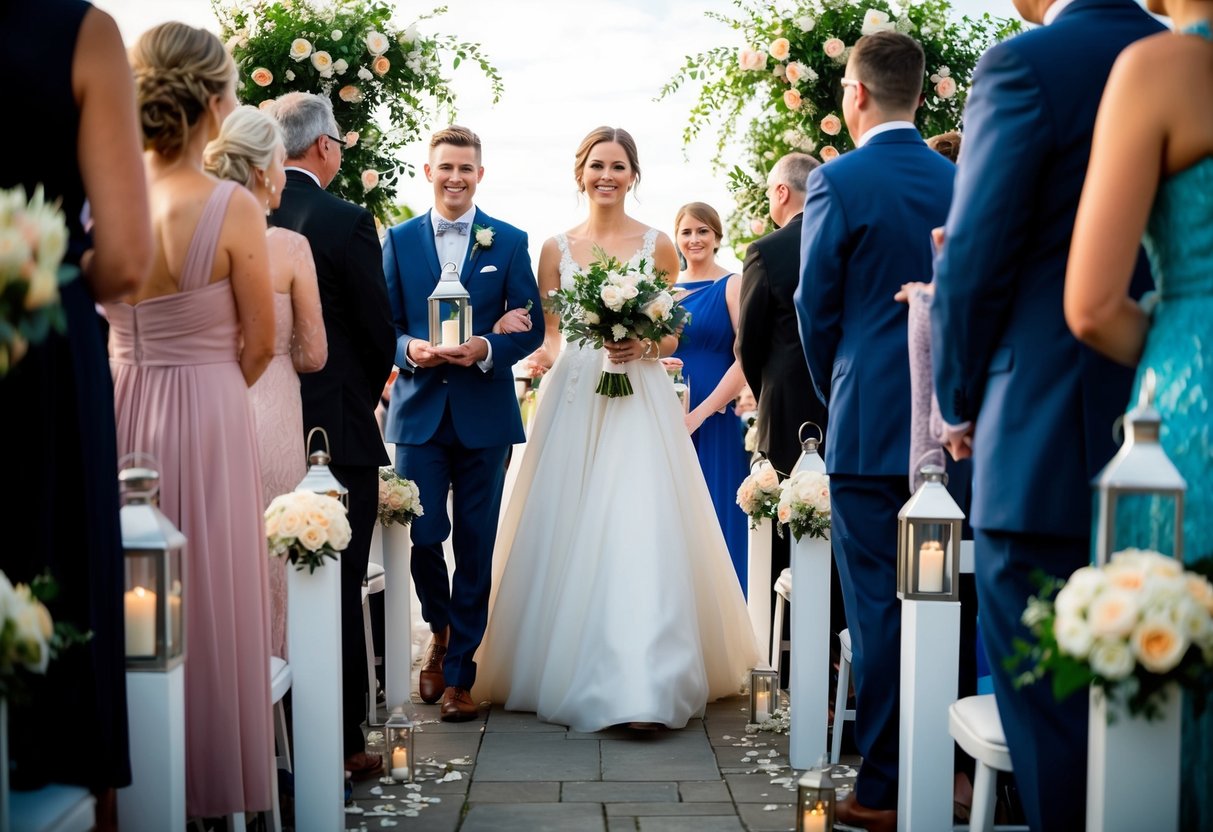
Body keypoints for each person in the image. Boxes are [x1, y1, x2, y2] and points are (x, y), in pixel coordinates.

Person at [930, 0, 1164, 828]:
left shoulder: (1025, 64)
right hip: (1180, 405)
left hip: (1043, 428)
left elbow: (975, 255)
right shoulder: (1183, 56)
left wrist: (955, 399)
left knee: (1052, 715)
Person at [473, 126, 761, 732]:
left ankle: (647, 681)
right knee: (566, 518)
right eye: (597, 165)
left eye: (619, 166)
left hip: (640, 393)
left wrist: (643, 345)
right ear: (580, 173)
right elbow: (554, 335)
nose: (607, 176)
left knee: (640, 518)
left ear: (633, 175)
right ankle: (563, 662)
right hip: (574, 392)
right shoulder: (554, 248)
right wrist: (537, 351)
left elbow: (672, 334)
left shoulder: (659, 245)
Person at [109, 22, 276, 818]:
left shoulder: (101, 203)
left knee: (122, 595)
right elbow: (261, 343)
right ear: (214, 103)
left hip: (118, 403)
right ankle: (207, 782)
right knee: (207, 592)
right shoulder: (232, 205)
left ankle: (125, 783)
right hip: (210, 411)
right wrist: (209, 385)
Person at [796, 32, 955, 832]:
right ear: (919, 97)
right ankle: (954, 767)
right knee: (948, 594)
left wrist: (840, 388)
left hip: (866, 422)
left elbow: (813, 306)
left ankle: (887, 783)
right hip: (951, 423)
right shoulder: (961, 178)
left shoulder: (836, 179)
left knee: (878, 605)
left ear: (854, 94)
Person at [0, 1, 150, 823]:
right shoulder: (79, 32)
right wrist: (51, 266)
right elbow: (126, 260)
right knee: (51, 559)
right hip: (37, 344)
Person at [1064, 1, 1213, 826]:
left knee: (1175, 673)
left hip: (1195, 402)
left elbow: (1090, 306)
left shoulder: (1163, 68)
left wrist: (1177, 331)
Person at [381, 125, 545, 721]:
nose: (455, 177)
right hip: (419, 414)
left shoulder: (509, 240)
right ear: (429, 172)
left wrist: (486, 346)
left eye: (466, 168)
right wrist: (408, 350)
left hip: (485, 417)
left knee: (476, 543)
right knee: (424, 536)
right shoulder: (398, 240)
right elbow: (384, 323)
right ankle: (440, 627)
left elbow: (532, 323)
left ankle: (459, 675)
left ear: (480, 174)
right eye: (445, 167)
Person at [269, 92, 395, 774]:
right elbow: (377, 331)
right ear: (324, 145)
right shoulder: (346, 220)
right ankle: (339, 742)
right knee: (337, 583)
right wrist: (359, 394)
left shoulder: (241, 213)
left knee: (268, 582)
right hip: (334, 429)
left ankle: (271, 737)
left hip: (258, 420)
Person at [204, 105, 327, 659]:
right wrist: (283, 352)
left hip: (206, 398)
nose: (284, 174)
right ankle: (271, 677)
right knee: (275, 549)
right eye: (279, 162)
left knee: (218, 546)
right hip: (273, 404)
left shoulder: (191, 242)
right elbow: (314, 355)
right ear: (261, 169)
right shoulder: (289, 248)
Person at [672, 201, 749, 589]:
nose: (694, 239)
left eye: (702, 231)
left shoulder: (733, 284)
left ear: (717, 237)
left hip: (715, 415)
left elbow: (746, 357)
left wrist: (701, 413)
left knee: (718, 510)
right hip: (669, 415)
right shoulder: (663, 290)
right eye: (686, 232)